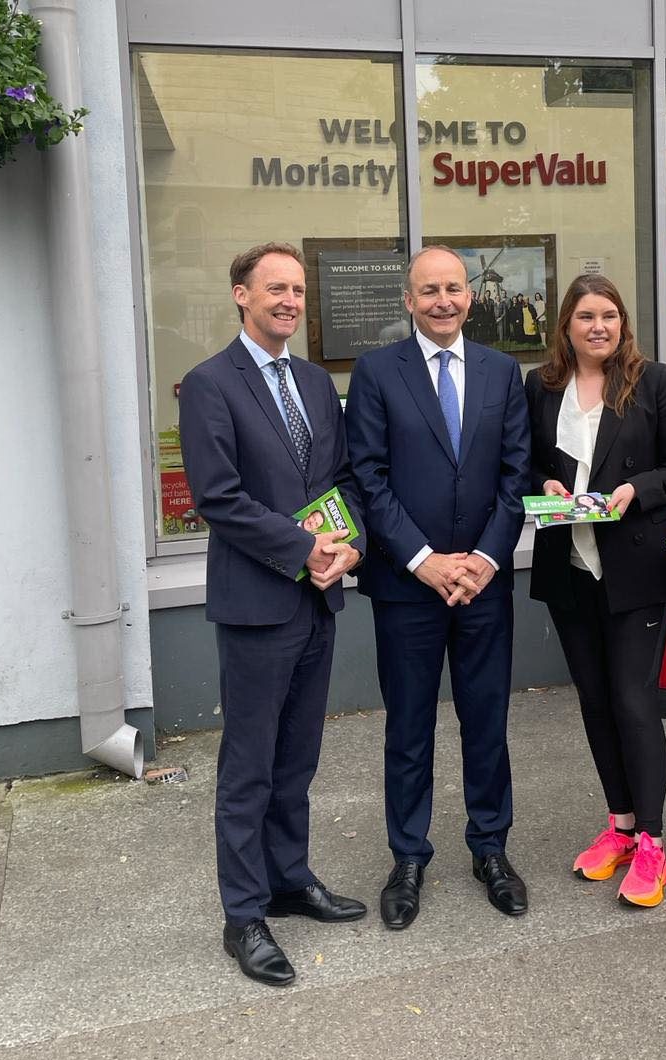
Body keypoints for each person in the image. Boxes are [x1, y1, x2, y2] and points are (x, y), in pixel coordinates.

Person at [178, 242, 367, 987]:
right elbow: (217, 496)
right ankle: (244, 914)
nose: (290, 300)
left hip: (318, 595)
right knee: (249, 766)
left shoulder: (317, 383)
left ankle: (289, 879)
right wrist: (303, 547)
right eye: (275, 288)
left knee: (298, 759)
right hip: (259, 602)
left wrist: (346, 545)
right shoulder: (209, 385)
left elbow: (343, 477)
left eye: (297, 290)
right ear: (240, 295)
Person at [345, 245, 531, 929]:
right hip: (406, 586)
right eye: (430, 291)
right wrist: (422, 558)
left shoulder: (502, 370)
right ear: (409, 299)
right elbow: (367, 475)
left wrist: (483, 558)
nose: (444, 300)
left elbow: (516, 474)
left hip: (484, 584)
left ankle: (490, 849)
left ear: (470, 297)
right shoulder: (375, 372)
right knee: (410, 727)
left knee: (487, 722)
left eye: (454, 288)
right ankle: (409, 857)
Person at [526, 273, 666, 908]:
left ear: (623, 323)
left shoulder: (652, 382)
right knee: (596, 702)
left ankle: (653, 841)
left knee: (633, 701)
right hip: (571, 565)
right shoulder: (542, 387)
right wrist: (543, 483)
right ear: (565, 326)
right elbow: (522, 459)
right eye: (585, 317)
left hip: (635, 568)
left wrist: (635, 491)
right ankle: (620, 826)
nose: (599, 326)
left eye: (609, 316)